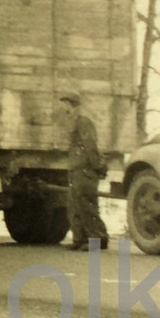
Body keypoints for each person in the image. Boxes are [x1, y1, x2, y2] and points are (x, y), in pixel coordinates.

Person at [60, 92, 109, 251]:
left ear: (73, 105)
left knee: (86, 206)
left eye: (66, 104)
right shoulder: (75, 122)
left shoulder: (84, 122)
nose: (64, 108)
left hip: (85, 171)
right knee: (75, 206)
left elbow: (90, 146)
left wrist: (98, 166)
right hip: (77, 170)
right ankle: (80, 239)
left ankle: (97, 240)